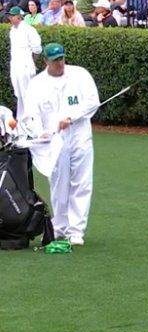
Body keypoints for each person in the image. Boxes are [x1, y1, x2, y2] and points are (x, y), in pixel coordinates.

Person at [22, 43, 100, 246]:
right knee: (59, 182)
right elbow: (31, 114)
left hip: (80, 135)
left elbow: (92, 101)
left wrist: (71, 117)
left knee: (82, 182)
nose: (60, 63)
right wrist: (41, 132)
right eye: (55, 60)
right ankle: (60, 226)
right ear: (46, 60)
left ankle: (76, 230)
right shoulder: (37, 84)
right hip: (54, 140)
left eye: (62, 58)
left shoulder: (80, 75)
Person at [7, 5, 41, 118]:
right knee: (19, 94)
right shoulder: (12, 30)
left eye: (12, 16)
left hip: (26, 66)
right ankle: (21, 120)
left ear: (18, 17)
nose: (10, 18)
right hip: (15, 66)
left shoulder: (29, 29)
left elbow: (37, 49)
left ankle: (32, 120)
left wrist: (31, 63)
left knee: (28, 94)